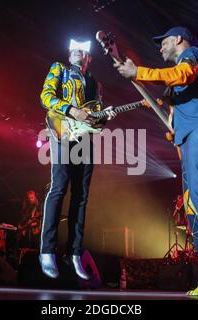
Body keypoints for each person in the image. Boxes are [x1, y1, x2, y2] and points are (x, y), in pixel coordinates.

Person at [115, 27, 198, 295]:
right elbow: (171, 104)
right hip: (189, 138)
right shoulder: (176, 82)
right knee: (192, 205)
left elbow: (183, 75)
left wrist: (139, 72)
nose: (160, 48)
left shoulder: (192, 55)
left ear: (178, 39)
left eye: (163, 42)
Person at [39, 38, 116, 279]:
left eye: (81, 50)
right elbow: (45, 96)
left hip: (84, 139)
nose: (76, 53)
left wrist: (105, 116)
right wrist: (72, 111)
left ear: (89, 57)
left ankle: (74, 253)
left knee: (81, 196)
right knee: (59, 188)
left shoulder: (96, 83)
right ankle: (47, 251)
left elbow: (96, 119)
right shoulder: (58, 69)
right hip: (62, 130)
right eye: (73, 50)